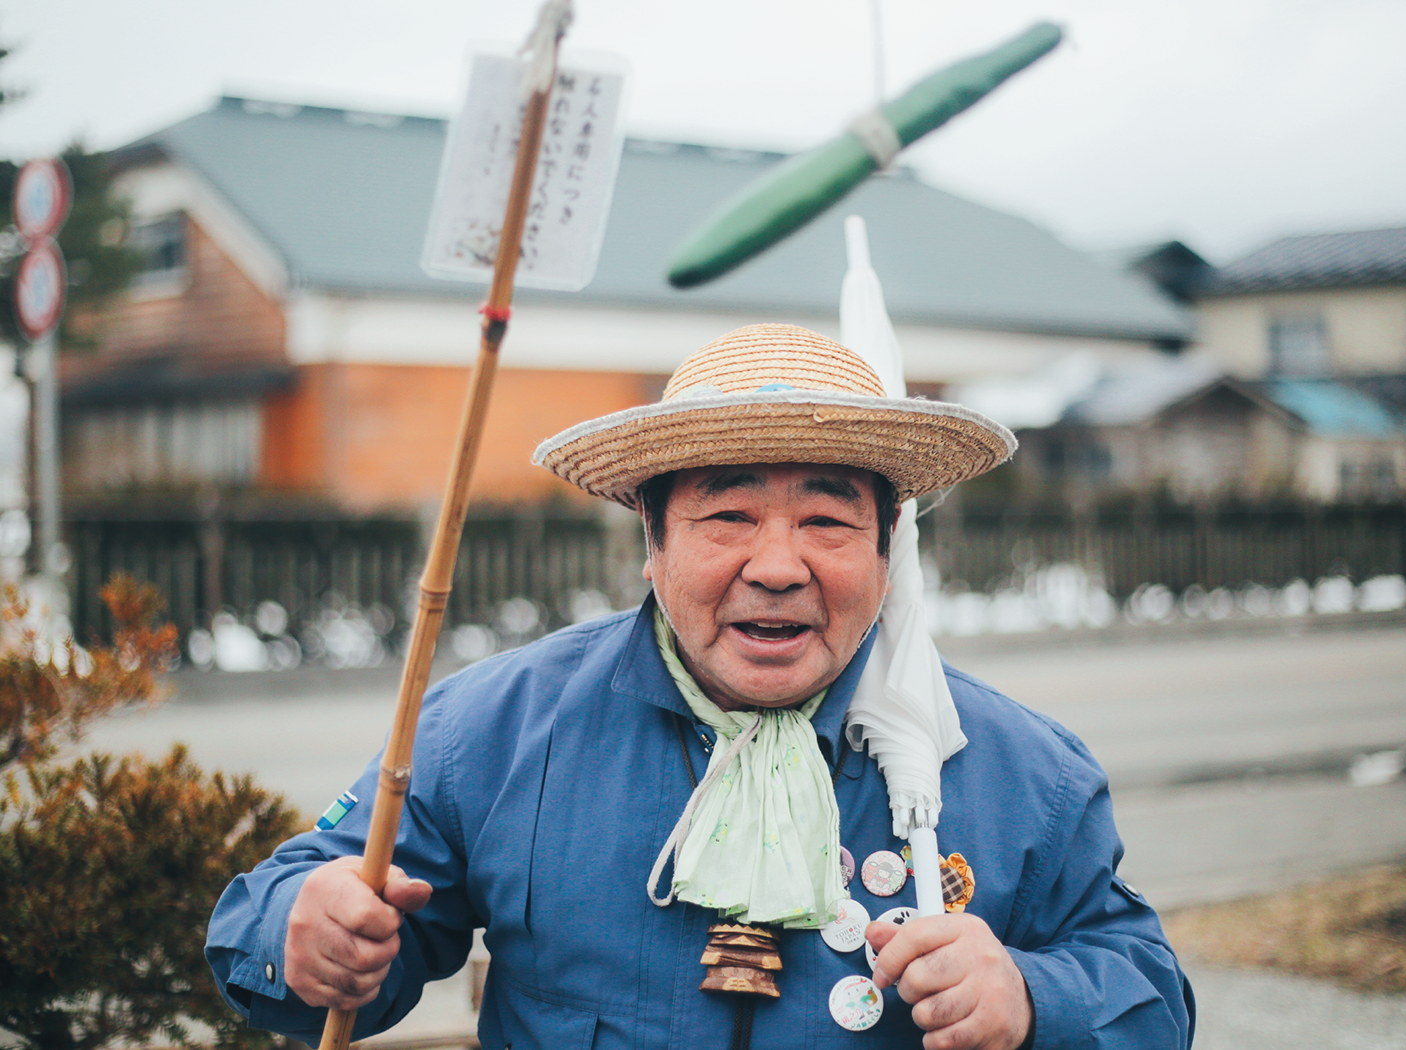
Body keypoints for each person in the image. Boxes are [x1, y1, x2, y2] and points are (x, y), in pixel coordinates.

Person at [207, 324, 1194, 1050]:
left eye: (826, 521)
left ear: (890, 549)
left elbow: (1150, 993)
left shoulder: (1026, 773)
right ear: (653, 541)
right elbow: (287, 911)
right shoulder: (492, 731)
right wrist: (304, 935)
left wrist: (1029, 997)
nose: (776, 565)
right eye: (727, 516)